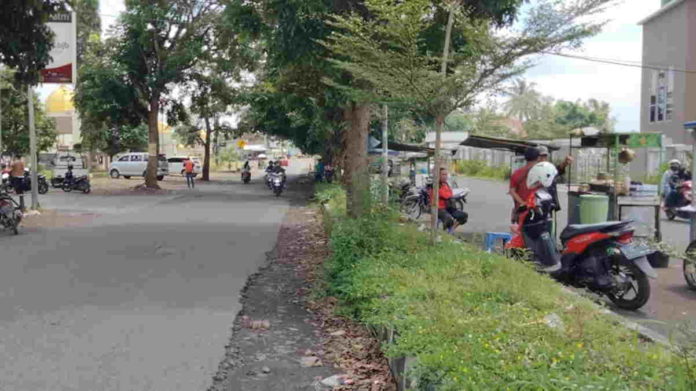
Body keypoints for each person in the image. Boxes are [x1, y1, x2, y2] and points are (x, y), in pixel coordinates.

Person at [429, 167, 468, 233]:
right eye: (443, 174)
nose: (445, 176)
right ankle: (444, 233)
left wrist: (447, 194)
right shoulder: (435, 185)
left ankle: (451, 230)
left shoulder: (445, 184)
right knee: (449, 219)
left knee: (464, 216)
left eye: (446, 174)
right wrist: (447, 194)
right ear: (438, 175)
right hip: (438, 208)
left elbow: (450, 193)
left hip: (448, 207)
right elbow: (445, 195)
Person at [537, 146, 573, 212]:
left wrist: (565, 163)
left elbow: (558, 169)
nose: (543, 158)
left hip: (550, 203)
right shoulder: (533, 169)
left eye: (545, 156)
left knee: (551, 221)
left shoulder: (548, 167)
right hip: (538, 204)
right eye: (541, 156)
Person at [509, 147, 540, 222]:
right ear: (538, 158)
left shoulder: (517, 173)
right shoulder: (541, 173)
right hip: (537, 209)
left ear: (525, 158)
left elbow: (512, 191)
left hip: (521, 210)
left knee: (522, 232)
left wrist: (523, 203)